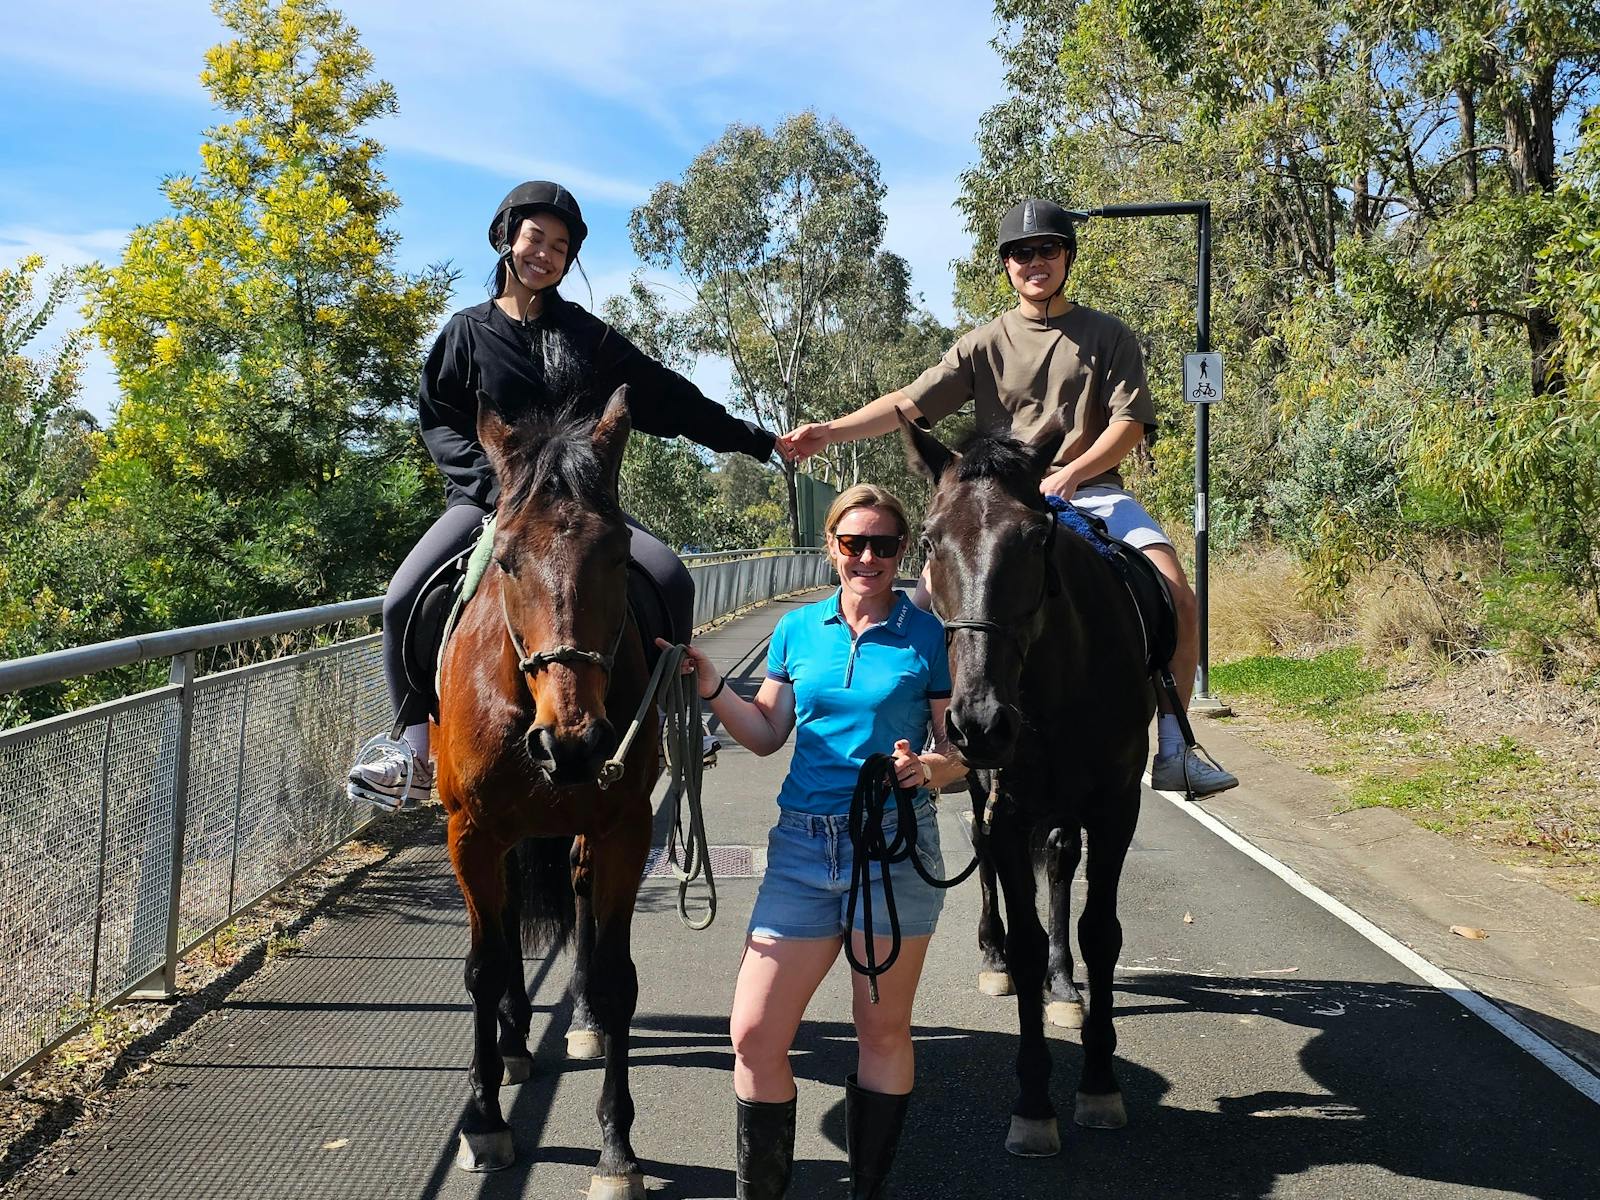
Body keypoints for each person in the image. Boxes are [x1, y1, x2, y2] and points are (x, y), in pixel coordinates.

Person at [779, 198, 1237, 797]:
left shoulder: (1108, 335)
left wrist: (1072, 472)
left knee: (1178, 592)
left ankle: (1176, 745)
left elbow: (1128, 426)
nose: (1034, 261)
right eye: (1021, 253)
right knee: (919, 612)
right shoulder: (982, 344)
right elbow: (909, 405)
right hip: (996, 506)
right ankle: (934, 746)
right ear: (1007, 265)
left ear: (1067, 256)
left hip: (1090, 491)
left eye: (1047, 249)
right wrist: (830, 432)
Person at [347, 181, 776, 809]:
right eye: (534, 239)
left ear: (570, 259)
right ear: (507, 237)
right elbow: (439, 418)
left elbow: (669, 396)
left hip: (579, 509)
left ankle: (673, 719)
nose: (543, 254)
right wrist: (495, 487)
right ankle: (410, 748)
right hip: (486, 502)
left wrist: (754, 440)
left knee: (671, 579)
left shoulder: (588, 339)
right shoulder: (465, 334)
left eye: (560, 246)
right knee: (402, 598)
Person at [668, 485, 966, 1198]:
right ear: (831, 545)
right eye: (854, 543)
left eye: (884, 545)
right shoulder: (798, 630)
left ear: (903, 554)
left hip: (894, 849)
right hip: (802, 852)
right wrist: (713, 687)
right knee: (754, 1037)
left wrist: (928, 770)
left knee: (882, 1033)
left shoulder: (930, 636)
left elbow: (959, 752)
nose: (868, 557)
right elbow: (769, 734)